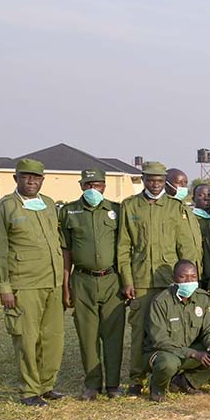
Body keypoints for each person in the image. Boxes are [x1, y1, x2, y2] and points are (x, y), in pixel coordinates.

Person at [0, 159, 66, 406]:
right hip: (25, 284)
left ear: (42, 180)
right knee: (27, 338)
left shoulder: (49, 205)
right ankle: (30, 390)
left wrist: (63, 283)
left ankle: (46, 385)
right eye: (26, 176)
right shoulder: (5, 208)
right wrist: (4, 287)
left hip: (51, 282)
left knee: (53, 338)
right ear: (16, 178)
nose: (31, 181)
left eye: (36, 177)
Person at [117, 161, 197, 396]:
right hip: (141, 280)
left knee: (172, 331)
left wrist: (187, 281)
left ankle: (168, 375)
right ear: (143, 180)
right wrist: (127, 280)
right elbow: (123, 247)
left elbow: (185, 247)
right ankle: (136, 378)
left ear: (165, 182)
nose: (155, 184)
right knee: (140, 330)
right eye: (151, 180)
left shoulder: (175, 207)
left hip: (170, 280)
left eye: (160, 181)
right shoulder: (130, 206)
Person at [58, 168, 126, 400]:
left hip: (111, 280)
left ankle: (114, 385)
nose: (93, 190)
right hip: (83, 279)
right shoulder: (69, 212)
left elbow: (124, 249)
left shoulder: (116, 210)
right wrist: (66, 285)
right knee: (87, 335)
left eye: (97, 185)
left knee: (113, 334)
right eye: (88, 185)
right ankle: (93, 384)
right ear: (81, 186)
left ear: (104, 186)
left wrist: (126, 282)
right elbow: (66, 251)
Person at [144, 260, 210, 402]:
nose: (189, 281)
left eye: (193, 277)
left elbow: (208, 330)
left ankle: (186, 382)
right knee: (167, 363)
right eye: (184, 277)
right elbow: (160, 341)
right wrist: (194, 354)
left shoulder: (202, 298)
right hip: (165, 353)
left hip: (190, 353)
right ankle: (157, 389)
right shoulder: (161, 302)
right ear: (174, 278)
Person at [166, 168, 204, 281]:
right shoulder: (165, 209)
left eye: (185, 183)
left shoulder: (185, 208)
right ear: (166, 184)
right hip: (177, 272)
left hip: (193, 270)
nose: (183, 186)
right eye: (179, 182)